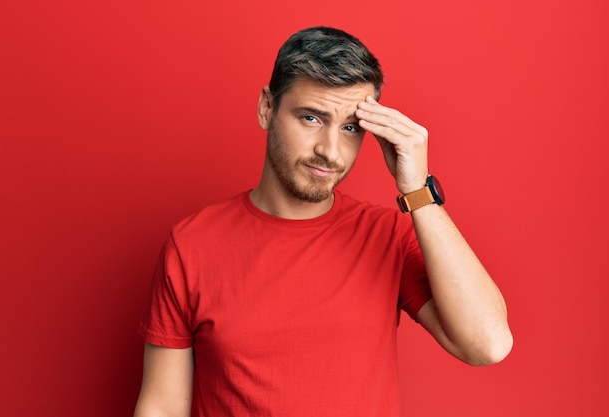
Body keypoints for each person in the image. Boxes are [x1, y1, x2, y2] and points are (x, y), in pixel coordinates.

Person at [133, 26, 513, 417]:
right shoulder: (193, 244)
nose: (330, 151)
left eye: (350, 128)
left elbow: (487, 344)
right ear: (267, 107)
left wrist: (418, 191)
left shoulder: (387, 237)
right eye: (311, 118)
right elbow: (162, 405)